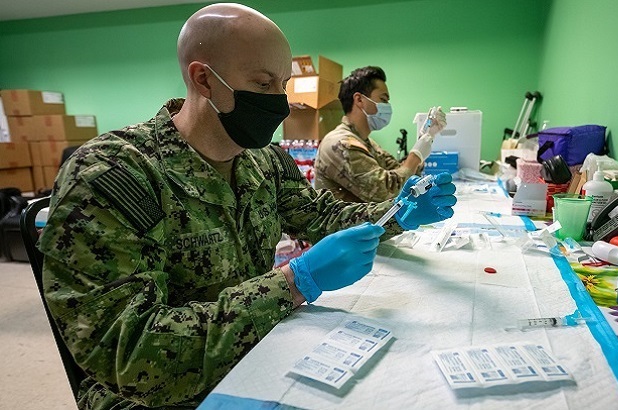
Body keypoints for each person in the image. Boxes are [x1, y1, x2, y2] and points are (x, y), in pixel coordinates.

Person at [38, 3, 456, 409]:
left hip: (258, 351)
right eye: (263, 84)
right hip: (156, 395)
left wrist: (396, 213)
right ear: (203, 79)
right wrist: (292, 282)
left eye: (283, 85)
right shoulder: (114, 175)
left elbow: (322, 217)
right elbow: (126, 352)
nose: (280, 102)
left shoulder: (265, 161)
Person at [314, 66, 447, 202]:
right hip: (350, 223)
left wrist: (425, 138)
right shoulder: (340, 144)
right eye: (383, 99)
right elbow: (386, 191)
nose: (388, 106)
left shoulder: (367, 142)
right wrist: (416, 154)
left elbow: (401, 172)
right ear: (359, 100)